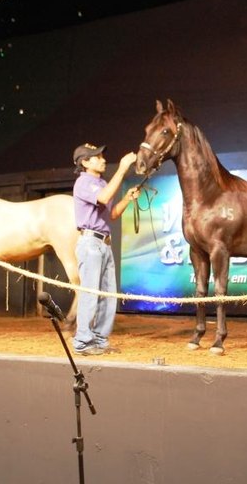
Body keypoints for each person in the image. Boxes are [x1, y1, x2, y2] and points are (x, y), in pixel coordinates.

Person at [71, 143, 140, 355]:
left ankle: (99, 340)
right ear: (84, 162)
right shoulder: (83, 182)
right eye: (96, 157)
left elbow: (112, 214)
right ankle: (83, 340)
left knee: (108, 295)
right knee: (91, 294)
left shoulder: (101, 182)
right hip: (90, 244)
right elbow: (103, 198)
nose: (102, 160)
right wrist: (122, 168)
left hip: (104, 243)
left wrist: (127, 199)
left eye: (102, 156)